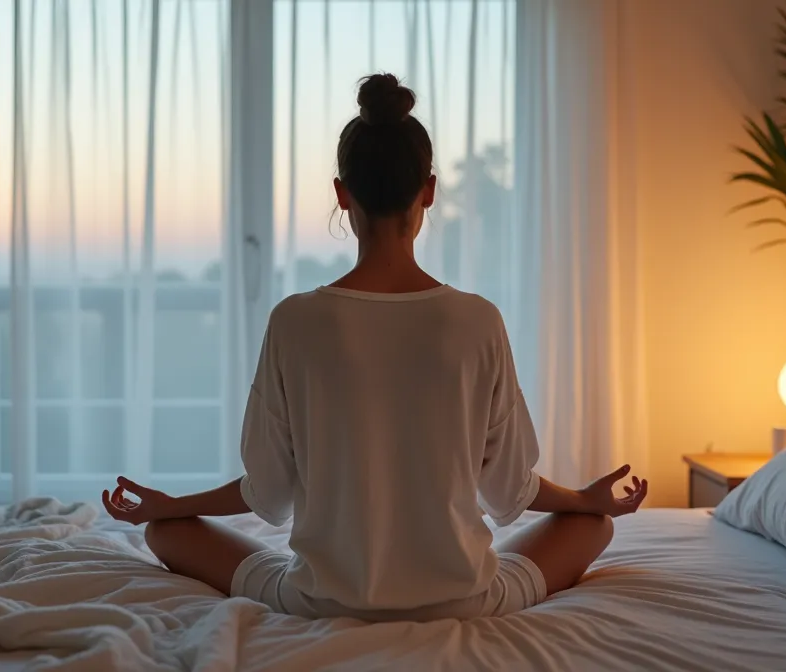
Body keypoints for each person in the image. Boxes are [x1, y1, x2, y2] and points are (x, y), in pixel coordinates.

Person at [102, 74, 647, 621]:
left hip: (319, 601)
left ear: (342, 194)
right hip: (463, 602)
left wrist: (174, 507)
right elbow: (510, 490)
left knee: (165, 533)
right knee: (592, 526)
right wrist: (584, 501)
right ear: (428, 190)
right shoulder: (477, 320)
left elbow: (266, 492)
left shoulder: (295, 320)